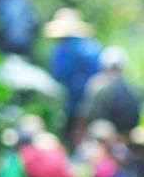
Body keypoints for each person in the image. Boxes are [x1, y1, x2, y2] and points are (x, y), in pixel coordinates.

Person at [44, 8, 103, 145]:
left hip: (75, 99)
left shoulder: (64, 48)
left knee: (73, 135)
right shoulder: (93, 45)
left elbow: (59, 73)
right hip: (95, 99)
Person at [76, 46, 141, 140]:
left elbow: (85, 113)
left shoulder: (97, 83)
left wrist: (79, 133)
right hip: (124, 136)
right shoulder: (131, 88)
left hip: (102, 136)